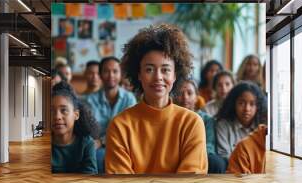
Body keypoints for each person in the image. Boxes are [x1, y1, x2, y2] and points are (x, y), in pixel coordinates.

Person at [105, 23, 208, 174]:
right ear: (139, 74)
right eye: (149, 69)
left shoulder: (191, 123)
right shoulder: (120, 125)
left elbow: (189, 180)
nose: (158, 77)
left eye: (165, 70)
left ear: (175, 75)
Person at [82, 56, 137, 173]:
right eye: (106, 71)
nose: (111, 75)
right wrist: (99, 143)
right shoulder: (90, 100)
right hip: (98, 148)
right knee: (97, 156)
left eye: (115, 71)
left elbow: (128, 130)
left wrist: (102, 141)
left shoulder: (129, 99)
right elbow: (90, 131)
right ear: (101, 74)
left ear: (120, 74)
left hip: (124, 145)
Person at [174, 78, 227, 173]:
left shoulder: (207, 119)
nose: (185, 97)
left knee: (216, 162)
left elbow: (209, 147)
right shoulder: (171, 117)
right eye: (180, 93)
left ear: (196, 97)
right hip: (175, 155)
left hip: (200, 155)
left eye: (189, 93)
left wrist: (192, 154)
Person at [51, 81, 99, 174]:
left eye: (64, 110)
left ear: (76, 115)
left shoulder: (86, 143)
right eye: (51, 111)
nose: (57, 116)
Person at [215, 81, 267, 166]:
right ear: (233, 103)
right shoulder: (223, 125)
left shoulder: (263, 128)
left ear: (258, 106)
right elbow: (224, 156)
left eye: (252, 104)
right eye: (241, 103)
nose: (247, 109)